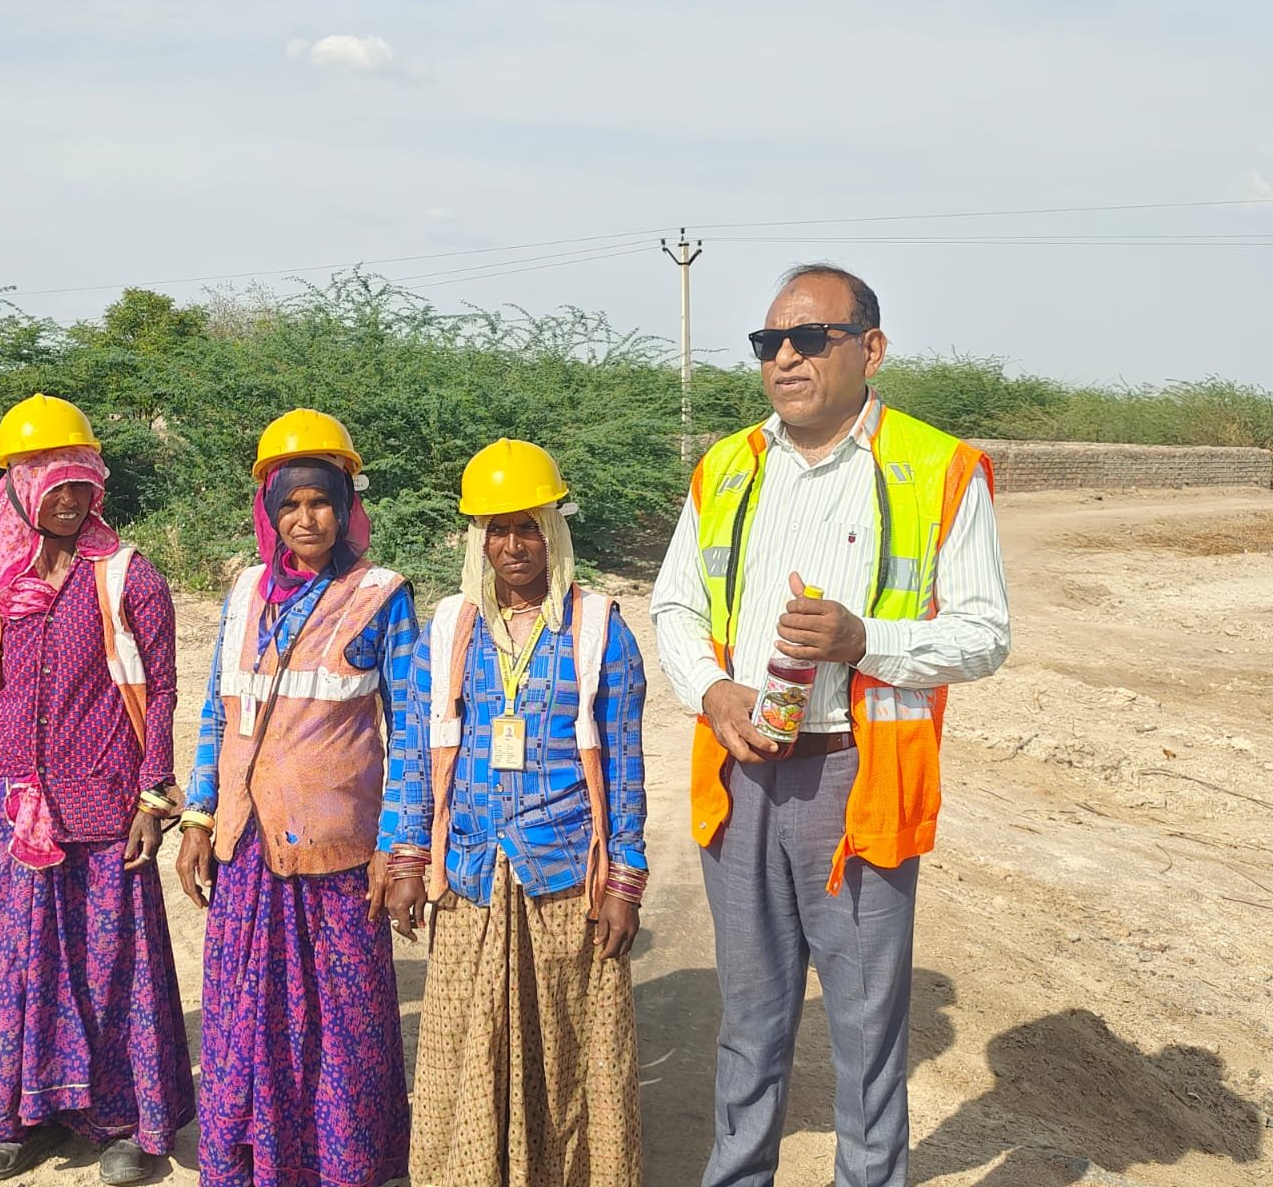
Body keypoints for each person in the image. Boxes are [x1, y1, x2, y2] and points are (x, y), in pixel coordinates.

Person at [649, 264, 1012, 1187]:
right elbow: (675, 605)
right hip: (740, 770)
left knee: (864, 1026)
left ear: (870, 348)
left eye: (809, 338)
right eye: (769, 342)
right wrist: (713, 691)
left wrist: (865, 640)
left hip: (858, 777)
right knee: (749, 1018)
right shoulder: (727, 466)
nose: (785, 358)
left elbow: (983, 635)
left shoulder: (938, 468)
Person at [382, 438, 649, 1187]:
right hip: (470, 873)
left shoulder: (599, 631)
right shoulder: (448, 630)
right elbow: (416, 752)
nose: (513, 546)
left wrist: (625, 883)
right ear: (478, 538)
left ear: (554, 530)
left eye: (528, 527)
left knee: (565, 1055)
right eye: (496, 529)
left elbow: (625, 768)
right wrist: (408, 859)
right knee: (463, 1050)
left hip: (561, 876)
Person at [0, 394, 194, 1184]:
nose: (67, 494)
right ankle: (20, 1118)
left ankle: (125, 1125)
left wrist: (154, 795)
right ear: (18, 486)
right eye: (49, 479)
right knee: (19, 969)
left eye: (80, 478)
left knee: (112, 970)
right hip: (15, 814)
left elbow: (162, 689)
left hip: (105, 806)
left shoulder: (127, 575)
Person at [177, 408, 417, 1187]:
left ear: (346, 508)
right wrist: (199, 815)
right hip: (247, 846)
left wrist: (398, 846)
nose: (306, 519)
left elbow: (412, 734)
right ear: (269, 512)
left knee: (344, 1017)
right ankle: (255, 1160)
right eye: (291, 504)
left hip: (337, 849)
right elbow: (218, 711)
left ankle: (348, 1165)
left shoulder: (380, 596)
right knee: (246, 1015)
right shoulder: (246, 592)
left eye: (321, 502)